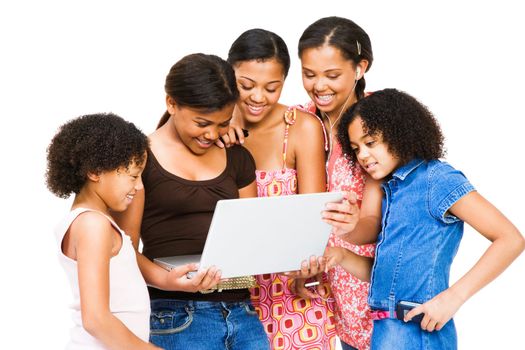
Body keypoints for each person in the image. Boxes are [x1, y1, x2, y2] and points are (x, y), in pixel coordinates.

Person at [333, 88, 524, 349]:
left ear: (399, 133)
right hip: (385, 332)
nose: (363, 155)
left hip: (418, 333)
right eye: (356, 148)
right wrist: (340, 256)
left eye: (371, 142)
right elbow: (392, 277)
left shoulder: (437, 180)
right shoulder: (392, 191)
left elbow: (510, 239)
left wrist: (452, 298)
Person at [113, 53, 269, 350]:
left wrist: (285, 257)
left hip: (243, 312)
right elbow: (123, 249)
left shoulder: (237, 157)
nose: (212, 134)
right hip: (174, 315)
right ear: (171, 103)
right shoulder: (140, 160)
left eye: (223, 124)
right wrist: (167, 280)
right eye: (202, 123)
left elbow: (252, 235)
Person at [226, 28, 336, 349]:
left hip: (293, 289)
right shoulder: (210, 127)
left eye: (271, 88)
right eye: (245, 86)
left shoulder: (301, 127)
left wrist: (307, 268)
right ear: (227, 74)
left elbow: (313, 218)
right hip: (232, 294)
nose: (258, 97)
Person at [295, 16, 383, 350]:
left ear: (360, 68)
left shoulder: (379, 119)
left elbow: (374, 219)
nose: (319, 86)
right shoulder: (300, 121)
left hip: (371, 290)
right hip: (318, 292)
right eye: (309, 74)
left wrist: (351, 229)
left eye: (332, 75)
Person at [46, 113, 158, 349]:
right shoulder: (92, 225)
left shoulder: (92, 220)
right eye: (133, 176)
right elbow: (95, 319)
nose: (138, 187)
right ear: (95, 171)